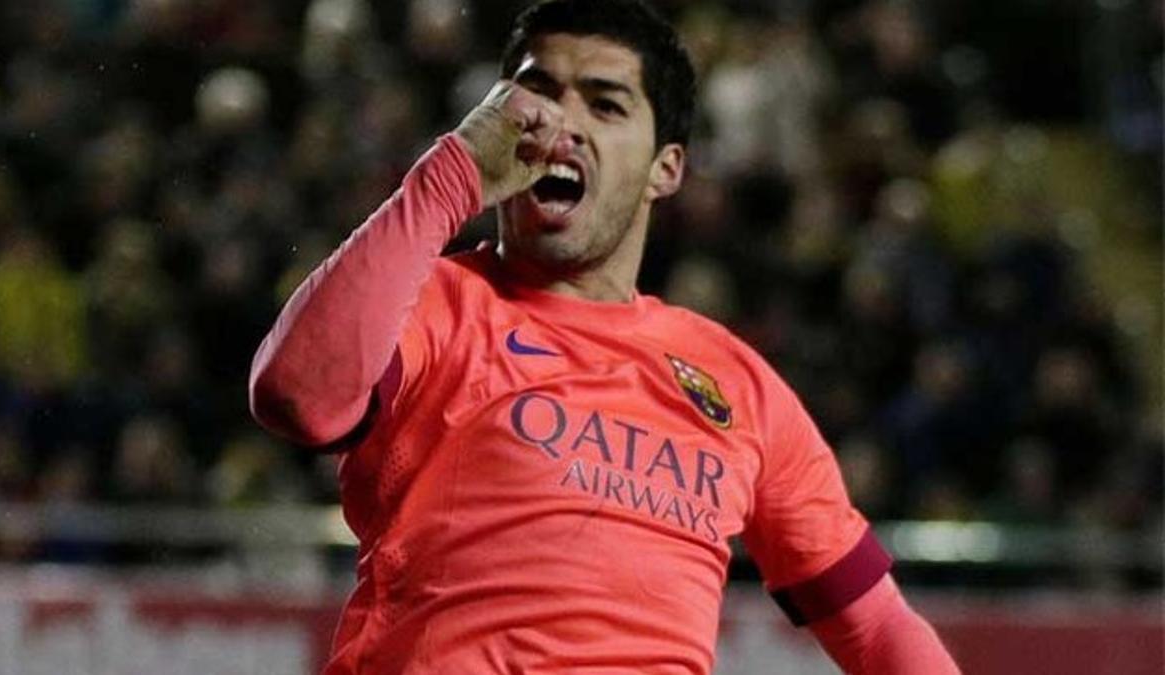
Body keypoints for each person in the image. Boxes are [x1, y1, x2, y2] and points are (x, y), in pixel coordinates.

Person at [249, 1, 960, 672]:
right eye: (537, 93)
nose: (561, 124)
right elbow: (297, 396)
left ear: (666, 168)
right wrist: (449, 180)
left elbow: (876, 625)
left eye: (605, 103)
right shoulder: (432, 300)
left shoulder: (737, 383)